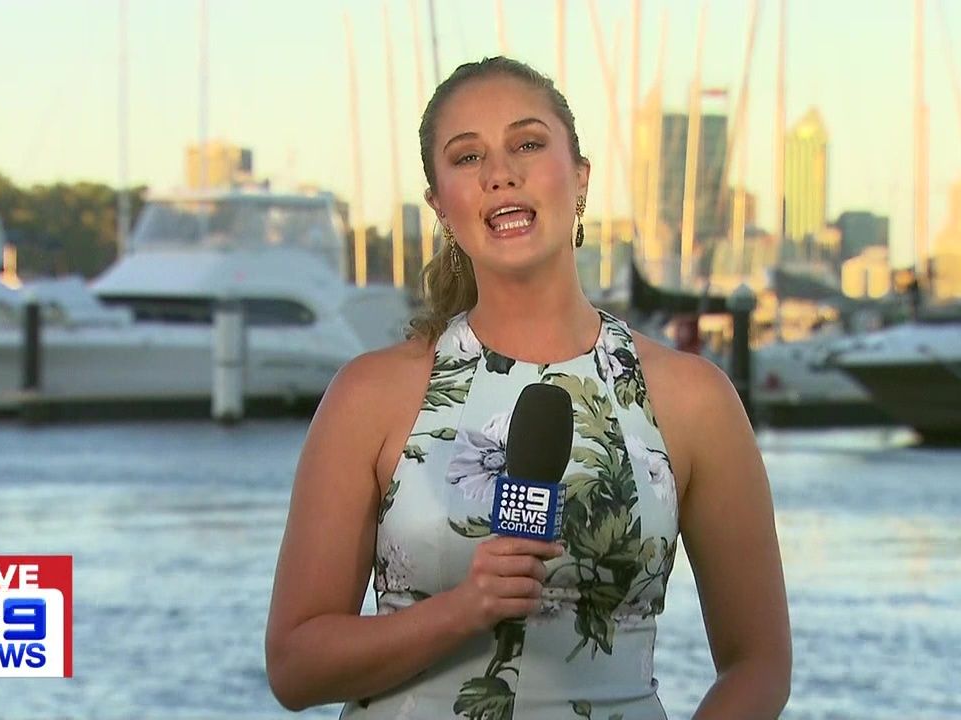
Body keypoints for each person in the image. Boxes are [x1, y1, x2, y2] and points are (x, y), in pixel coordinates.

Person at [265, 56, 790, 719]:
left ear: (581, 177)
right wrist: (463, 609)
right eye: (467, 157)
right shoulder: (370, 397)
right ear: (440, 206)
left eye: (528, 144)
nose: (500, 173)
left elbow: (759, 664)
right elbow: (296, 667)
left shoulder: (692, 401)